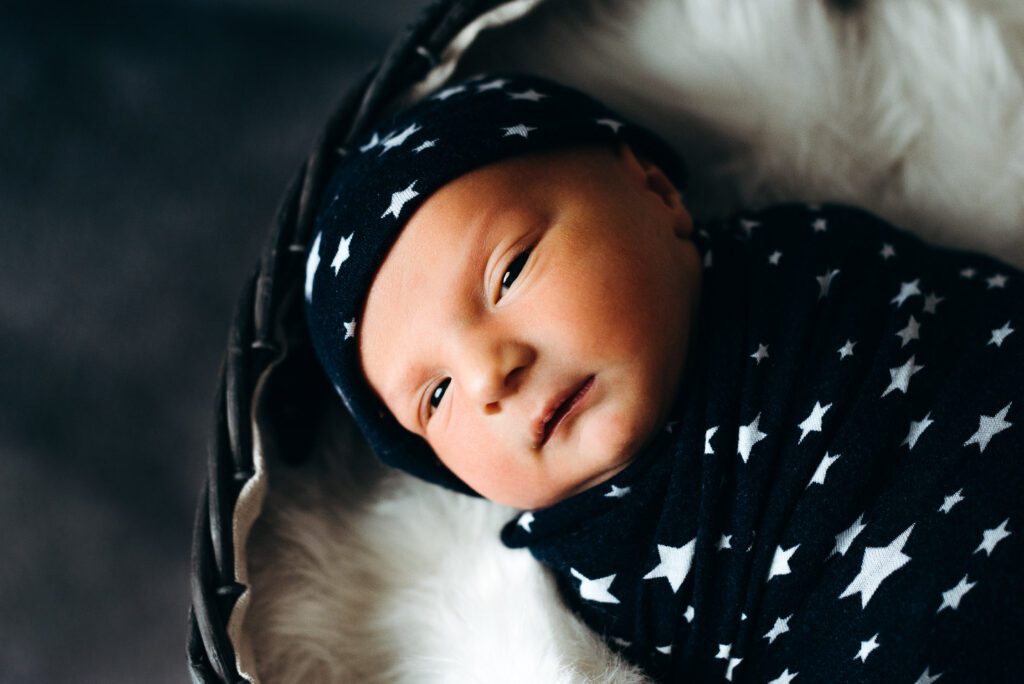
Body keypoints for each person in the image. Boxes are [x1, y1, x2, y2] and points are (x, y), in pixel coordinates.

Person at [304, 73, 1023, 682]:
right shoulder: (587, 585)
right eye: (436, 396)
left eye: (511, 271)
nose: (491, 375)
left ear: (654, 191)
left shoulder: (814, 270)